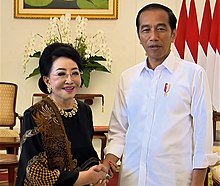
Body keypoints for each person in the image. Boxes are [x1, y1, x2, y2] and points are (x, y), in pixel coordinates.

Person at [102, 3, 219, 186]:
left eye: (161, 29)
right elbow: (118, 131)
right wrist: (108, 161)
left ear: (173, 34)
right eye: (146, 30)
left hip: (174, 180)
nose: (153, 37)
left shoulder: (194, 75)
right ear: (139, 36)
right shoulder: (128, 78)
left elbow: (202, 140)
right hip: (132, 179)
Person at [16, 42, 110, 186]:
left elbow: (87, 156)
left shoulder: (84, 111)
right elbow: (35, 174)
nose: (69, 80)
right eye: (61, 74)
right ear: (47, 80)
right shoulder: (35, 115)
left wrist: (98, 174)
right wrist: (86, 178)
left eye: (75, 73)